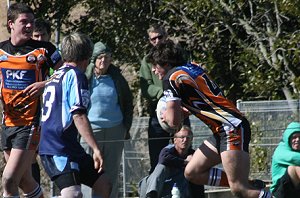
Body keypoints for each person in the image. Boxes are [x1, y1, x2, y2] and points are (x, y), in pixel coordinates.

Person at [146, 39, 272, 198]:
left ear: (165, 63)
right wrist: (184, 112)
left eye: (155, 65)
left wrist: (166, 116)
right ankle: (247, 183)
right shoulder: (192, 67)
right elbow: (206, 99)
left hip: (230, 128)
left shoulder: (170, 79)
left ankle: (248, 186)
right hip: (224, 129)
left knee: (240, 190)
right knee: (192, 172)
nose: (153, 70)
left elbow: (173, 122)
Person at [39, 32, 112, 198]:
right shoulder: (76, 75)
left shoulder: (57, 74)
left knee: (104, 183)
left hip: (69, 146)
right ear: (87, 57)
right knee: (73, 194)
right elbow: (78, 115)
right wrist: (95, 148)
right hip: (57, 146)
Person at [0, 3, 61, 198]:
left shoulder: (44, 50)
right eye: (24, 22)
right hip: (7, 122)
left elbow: (67, 73)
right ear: (11, 24)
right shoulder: (1, 51)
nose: (29, 26)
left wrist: (44, 84)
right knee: (25, 180)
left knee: (9, 180)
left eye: (31, 22)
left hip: (31, 123)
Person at [80, 41, 133, 198]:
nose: (104, 61)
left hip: (115, 130)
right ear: (94, 59)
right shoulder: (85, 78)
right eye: (100, 57)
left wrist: (125, 128)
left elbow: (128, 103)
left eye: (107, 57)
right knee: (88, 171)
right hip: (90, 131)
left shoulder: (118, 79)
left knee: (111, 172)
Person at [140, 24, 190, 174]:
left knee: (184, 154)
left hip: (181, 111)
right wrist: (166, 94)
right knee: (158, 158)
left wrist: (173, 96)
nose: (156, 41)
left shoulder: (178, 56)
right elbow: (146, 88)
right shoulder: (147, 60)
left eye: (159, 37)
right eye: (152, 39)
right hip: (158, 115)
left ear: (166, 36)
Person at [139, 125, 205, 198]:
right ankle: (151, 194)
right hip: (163, 187)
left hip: (179, 190)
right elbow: (163, 159)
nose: (185, 140)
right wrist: (185, 162)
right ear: (175, 140)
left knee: (194, 170)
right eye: (182, 137)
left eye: (188, 137)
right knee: (162, 166)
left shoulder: (193, 154)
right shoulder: (168, 150)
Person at [30, 17, 52, 185]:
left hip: (52, 116)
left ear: (49, 36)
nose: (39, 40)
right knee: (29, 158)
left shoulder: (54, 56)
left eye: (42, 36)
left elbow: (64, 75)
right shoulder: (27, 56)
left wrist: (44, 84)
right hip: (31, 115)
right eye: (35, 36)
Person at [271, 122, 300, 198]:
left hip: (294, 191)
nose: (297, 140)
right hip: (280, 191)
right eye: (294, 137)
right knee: (293, 168)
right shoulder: (281, 150)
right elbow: (294, 158)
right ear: (288, 138)